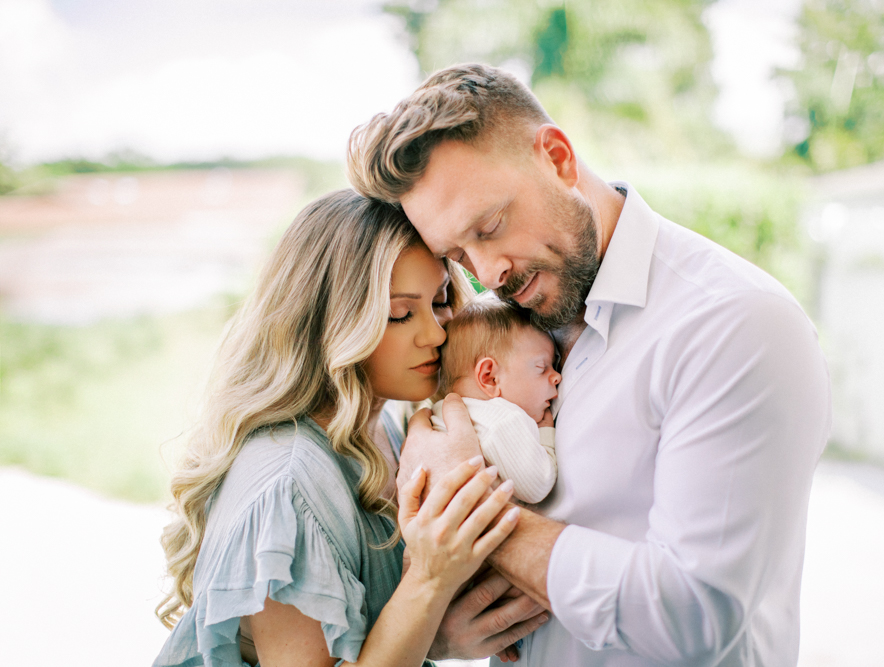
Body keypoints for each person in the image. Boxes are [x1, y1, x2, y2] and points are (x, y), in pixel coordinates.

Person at [346, 63, 833, 666]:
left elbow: (695, 616)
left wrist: (465, 506)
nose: (488, 274)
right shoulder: (501, 319)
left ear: (557, 156)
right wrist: (444, 637)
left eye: (491, 226)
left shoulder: (735, 325)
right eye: (458, 254)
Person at [152, 189, 549, 667]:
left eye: (441, 300)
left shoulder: (385, 426)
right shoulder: (288, 486)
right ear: (332, 324)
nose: (437, 333)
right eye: (400, 314)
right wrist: (430, 581)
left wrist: (433, 637)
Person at [431, 294, 561, 504]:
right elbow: (538, 485)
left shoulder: (440, 414)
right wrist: (546, 437)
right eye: (541, 367)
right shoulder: (503, 420)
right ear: (489, 377)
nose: (557, 377)